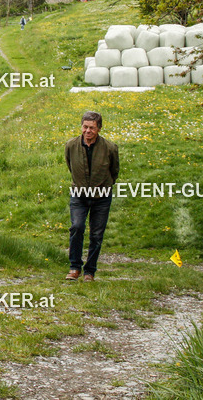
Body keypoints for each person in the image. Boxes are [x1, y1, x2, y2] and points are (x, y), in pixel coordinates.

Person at [64, 111, 119, 282]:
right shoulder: (71, 145)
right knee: (77, 227)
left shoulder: (110, 148)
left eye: (92, 128)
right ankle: (74, 267)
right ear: (81, 127)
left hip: (102, 196)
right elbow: (70, 165)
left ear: (99, 129)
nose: (88, 131)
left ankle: (90, 271)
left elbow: (114, 171)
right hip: (79, 194)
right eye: (85, 127)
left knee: (96, 234)